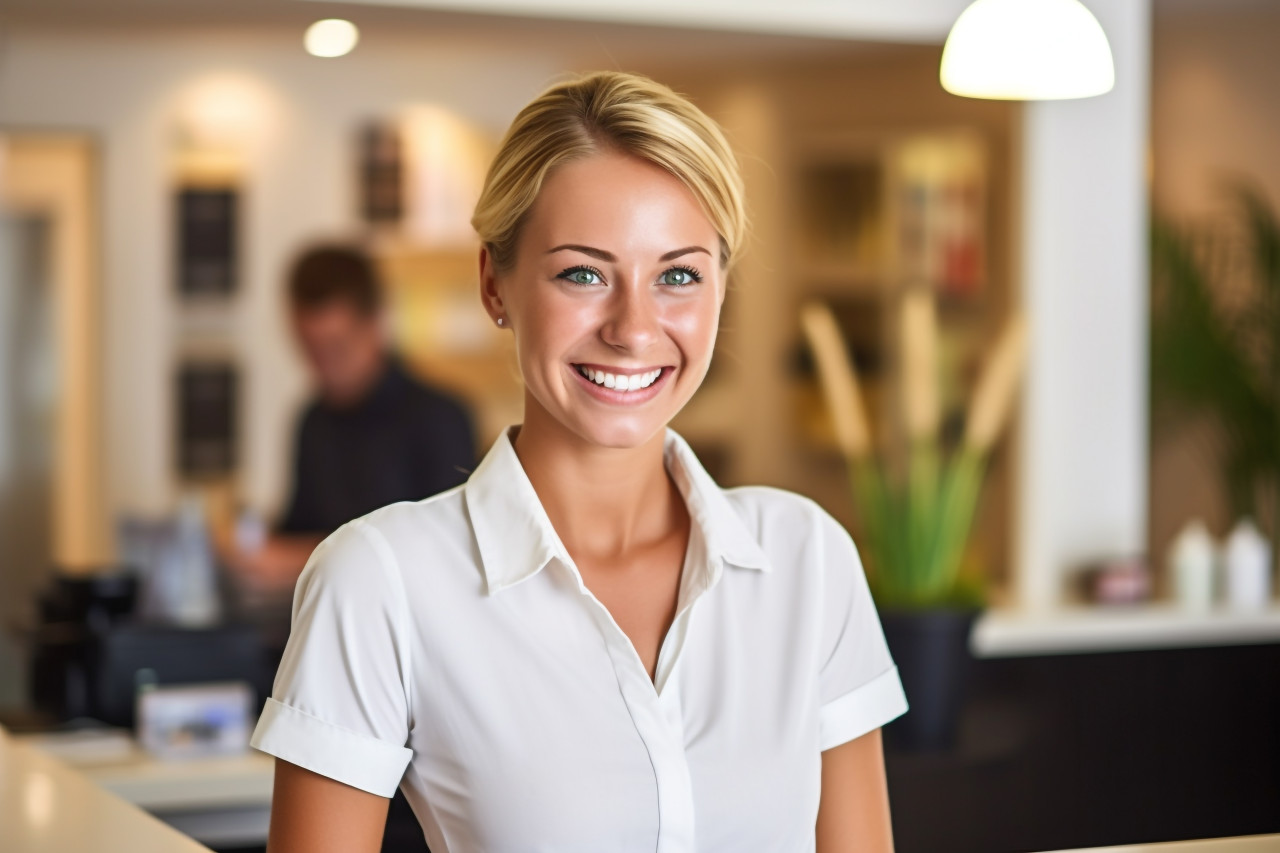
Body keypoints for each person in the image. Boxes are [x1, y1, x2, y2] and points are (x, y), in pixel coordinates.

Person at [250, 71, 907, 853]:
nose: (634, 329)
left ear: (720, 289)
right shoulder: (378, 581)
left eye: (678, 275)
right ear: (495, 284)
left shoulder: (809, 559)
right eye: (583, 273)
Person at [227, 244, 476, 599]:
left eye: (337, 347)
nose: (323, 367)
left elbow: (442, 553)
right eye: (310, 349)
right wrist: (249, 546)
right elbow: (295, 529)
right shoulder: (312, 420)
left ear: (376, 323)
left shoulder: (441, 419)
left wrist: (295, 559)